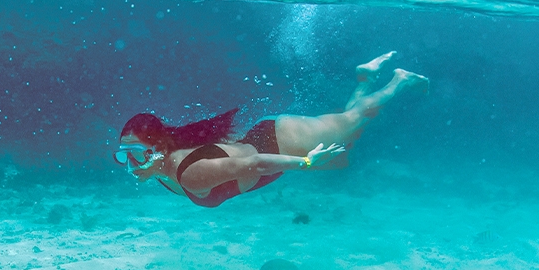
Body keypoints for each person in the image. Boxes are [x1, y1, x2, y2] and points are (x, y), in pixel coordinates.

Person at [116, 51, 428, 208]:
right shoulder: (158, 169)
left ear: (157, 147)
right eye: (122, 154)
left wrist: (305, 162)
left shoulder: (186, 173)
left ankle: (399, 80)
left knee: (352, 122)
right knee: (346, 141)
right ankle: (365, 77)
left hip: (279, 143)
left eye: (133, 152)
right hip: (269, 146)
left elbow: (254, 164)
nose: (128, 163)